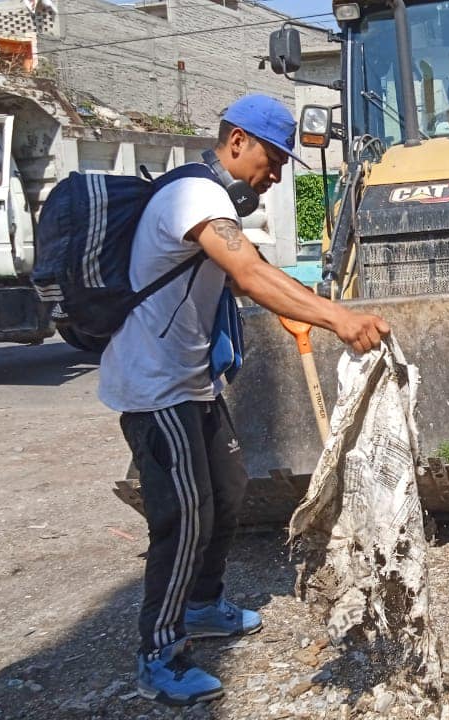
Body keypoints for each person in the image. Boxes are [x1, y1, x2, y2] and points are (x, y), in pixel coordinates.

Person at [97, 94, 390, 706]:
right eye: (273, 158)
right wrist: (337, 317)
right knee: (183, 516)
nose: (277, 174)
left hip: (190, 380)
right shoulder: (196, 195)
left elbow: (249, 273)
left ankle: (201, 604)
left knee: (227, 491)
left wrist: (306, 305)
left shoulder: (213, 198)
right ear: (236, 142)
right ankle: (160, 653)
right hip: (156, 389)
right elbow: (250, 273)